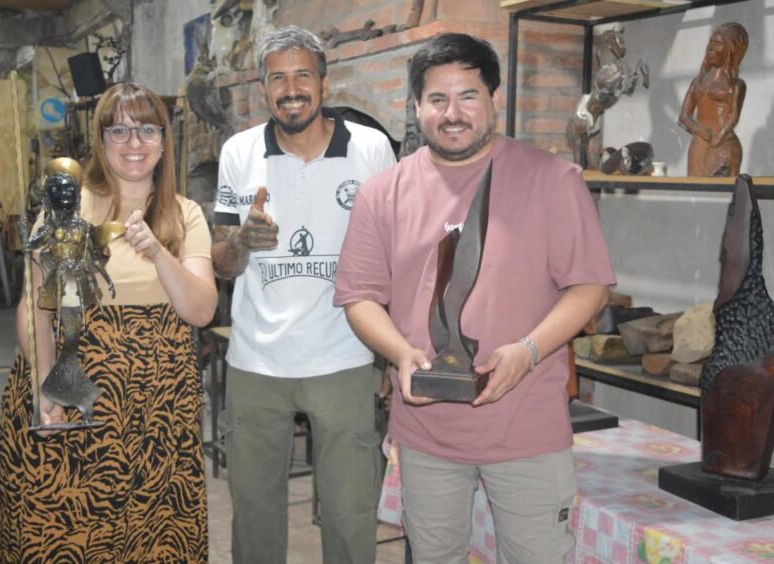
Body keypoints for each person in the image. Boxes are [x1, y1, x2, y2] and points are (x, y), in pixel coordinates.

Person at [334, 33, 616, 563]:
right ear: (416, 106)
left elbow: (590, 287)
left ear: (494, 98)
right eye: (437, 99)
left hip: (527, 427)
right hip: (427, 430)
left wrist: (528, 352)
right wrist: (400, 354)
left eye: (468, 96)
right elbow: (359, 296)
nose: (452, 113)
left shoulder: (552, 179)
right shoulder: (382, 193)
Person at [0, 82, 217, 562]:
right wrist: (46, 387)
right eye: (119, 130)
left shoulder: (185, 214)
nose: (134, 143)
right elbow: (35, 307)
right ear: (101, 139)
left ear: (164, 140)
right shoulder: (65, 208)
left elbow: (200, 311)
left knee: (156, 538)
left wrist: (158, 251)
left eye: (147, 130)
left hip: (159, 412)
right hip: (74, 397)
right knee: (62, 534)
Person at [211, 25, 396, 564]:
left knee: (351, 513)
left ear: (324, 82)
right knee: (254, 513)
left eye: (302, 76)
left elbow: (395, 256)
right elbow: (222, 263)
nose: (291, 89)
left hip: (344, 358)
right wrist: (242, 241)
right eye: (277, 79)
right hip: (256, 362)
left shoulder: (371, 149)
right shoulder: (239, 151)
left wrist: (390, 353)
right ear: (262, 89)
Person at [679, 22, 749, 177]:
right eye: (710, 42)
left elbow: (734, 117)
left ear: (730, 50)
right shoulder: (697, 82)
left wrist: (720, 135)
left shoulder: (736, 85)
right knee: (695, 187)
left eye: (718, 44)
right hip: (699, 145)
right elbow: (683, 117)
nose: (711, 48)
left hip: (725, 144)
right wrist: (700, 131)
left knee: (723, 187)